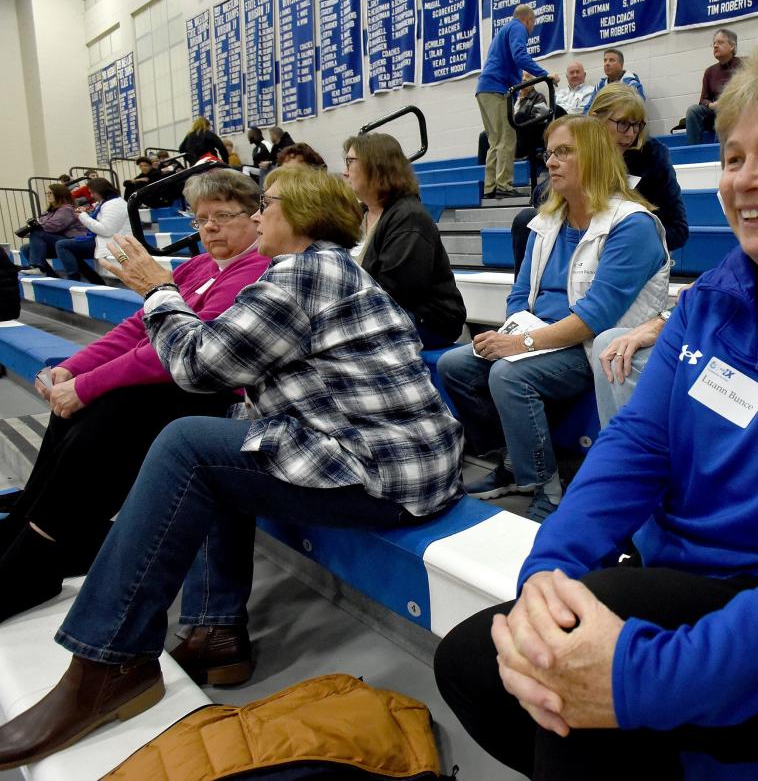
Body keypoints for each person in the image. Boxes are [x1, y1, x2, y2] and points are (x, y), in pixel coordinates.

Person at [434, 49, 758, 780]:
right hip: (691, 583)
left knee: (581, 704)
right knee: (471, 663)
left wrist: (634, 679)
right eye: (732, 155)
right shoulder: (713, 299)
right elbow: (633, 451)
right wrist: (548, 576)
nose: (744, 179)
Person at [0, 167, 464, 769]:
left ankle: (106, 662)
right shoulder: (317, 269)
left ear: (295, 215)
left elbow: (200, 363)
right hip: (391, 458)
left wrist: (157, 289)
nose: (255, 216)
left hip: (385, 474)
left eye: (264, 205)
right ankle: (213, 631)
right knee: (219, 447)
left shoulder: (303, 275)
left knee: (188, 443)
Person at [0, 169, 270, 623]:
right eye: (200, 219)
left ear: (255, 217)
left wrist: (86, 386)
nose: (210, 228)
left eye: (223, 216)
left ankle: (39, 556)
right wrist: (74, 368)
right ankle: (30, 528)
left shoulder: (256, 268)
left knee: (113, 412)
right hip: (182, 379)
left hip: (219, 388)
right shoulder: (200, 265)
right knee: (74, 414)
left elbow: (186, 352)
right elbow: (139, 328)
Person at [439, 115, 669, 522]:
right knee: (453, 365)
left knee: (508, 375)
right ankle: (510, 457)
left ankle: (546, 487)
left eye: (564, 152)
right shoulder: (547, 222)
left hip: (590, 347)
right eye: (550, 153)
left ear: (596, 157)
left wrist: (519, 346)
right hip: (538, 337)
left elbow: (594, 318)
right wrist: (513, 331)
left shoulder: (632, 226)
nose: (552, 162)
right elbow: (519, 293)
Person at [511, 82, 688, 270]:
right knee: (527, 221)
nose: (631, 134)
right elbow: (542, 196)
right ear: (595, 119)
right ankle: (529, 295)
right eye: (623, 123)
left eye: (637, 125)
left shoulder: (652, 156)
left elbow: (678, 229)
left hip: (624, 249)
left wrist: (626, 235)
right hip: (576, 244)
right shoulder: (577, 149)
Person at [343, 132, 465, 348]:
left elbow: (397, 292)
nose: (345, 171)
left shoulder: (408, 217)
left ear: (376, 166)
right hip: (381, 312)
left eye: (350, 162)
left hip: (428, 320)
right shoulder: (361, 214)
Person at [476, 4, 558, 200]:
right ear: (529, 20)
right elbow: (520, 55)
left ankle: (490, 186)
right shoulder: (517, 28)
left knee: (494, 141)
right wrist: (546, 75)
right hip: (496, 88)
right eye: (533, 24)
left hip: (484, 88)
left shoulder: (504, 30)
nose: (531, 29)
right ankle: (503, 185)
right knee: (507, 137)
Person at [685, 28, 743, 145]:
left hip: (738, 112)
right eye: (714, 43)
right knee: (693, 111)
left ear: (732, 46)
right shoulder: (710, 72)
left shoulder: (744, 65)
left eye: (720, 42)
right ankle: (694, 151)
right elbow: (703, 100)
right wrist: (712, 105)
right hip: (716, 112)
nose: (715, 46)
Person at [18, 184, 87, 277]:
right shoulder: (49, 211)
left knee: (37, 233)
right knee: (25, 248)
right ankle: (49, 275)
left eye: (51, 193)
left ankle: (37, 267)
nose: (48, 195)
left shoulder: (66, 209)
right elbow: (43, 225)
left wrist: (35, 226)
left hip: (71, 241)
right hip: (58, 241)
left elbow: (54, 226)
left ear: (60, 194)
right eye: (47, 193)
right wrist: (34, 226)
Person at [70, 178, 133, 277]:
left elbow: (106, 230)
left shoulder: (113, 204)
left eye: (92, 193)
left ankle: (81, 279)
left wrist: (83, 216)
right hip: (106, 240)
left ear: (101, 191)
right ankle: (90, 279)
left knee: (63, 245)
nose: (91, 196)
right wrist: (85, 213)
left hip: (113, 242)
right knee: (64, 245)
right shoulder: (108, 202)